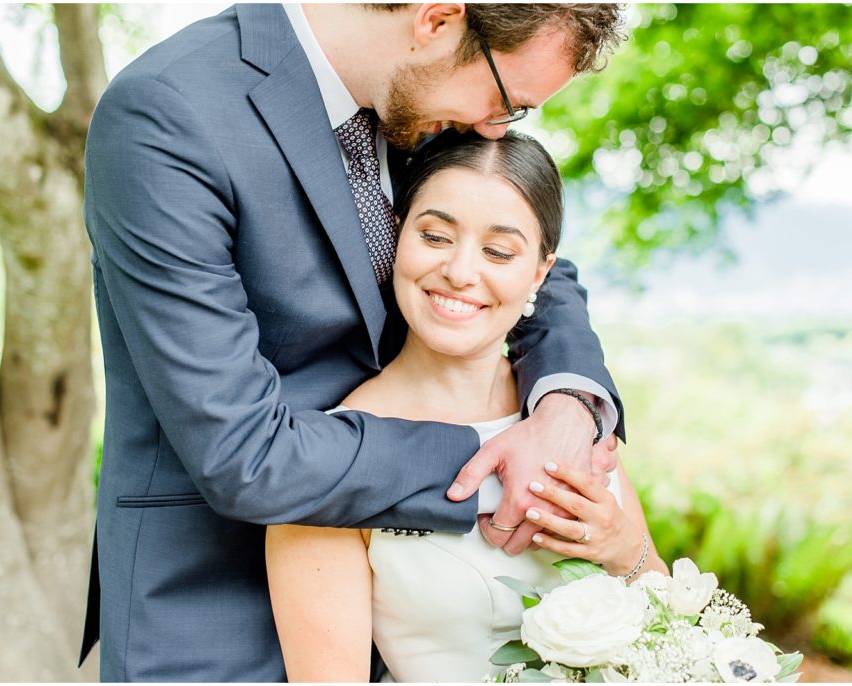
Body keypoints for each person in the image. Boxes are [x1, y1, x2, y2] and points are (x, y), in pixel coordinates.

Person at [80, 3, 626, 681]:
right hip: (215, 615)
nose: (492, 129)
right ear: (437, 20)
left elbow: (533, 257)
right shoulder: (168, 113)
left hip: (418, 613)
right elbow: (243, 455)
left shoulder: (413, 95)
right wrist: (501, 460)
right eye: (504, 100)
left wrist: (566, 406)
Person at [266, 130, 669, 682]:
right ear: (397, 237)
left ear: (540, 273)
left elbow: (675, 630)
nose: (460, 271)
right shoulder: (329, 463)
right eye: (434, 236)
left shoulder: (574, 419)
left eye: (498, 251)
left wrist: (624, 550)